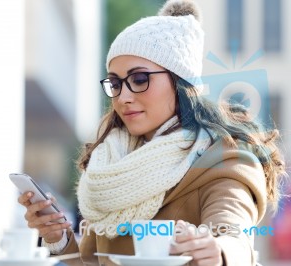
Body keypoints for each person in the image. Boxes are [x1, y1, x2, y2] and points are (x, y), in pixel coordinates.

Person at [18, 0, 286, 265]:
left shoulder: (223, 160)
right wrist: (59, 239)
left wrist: (218, 251)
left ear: (181, 83)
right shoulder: (109, 166)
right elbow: (92, 263)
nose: (123, 97)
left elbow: (233, 232)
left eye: (139, 79)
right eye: (115, 83)